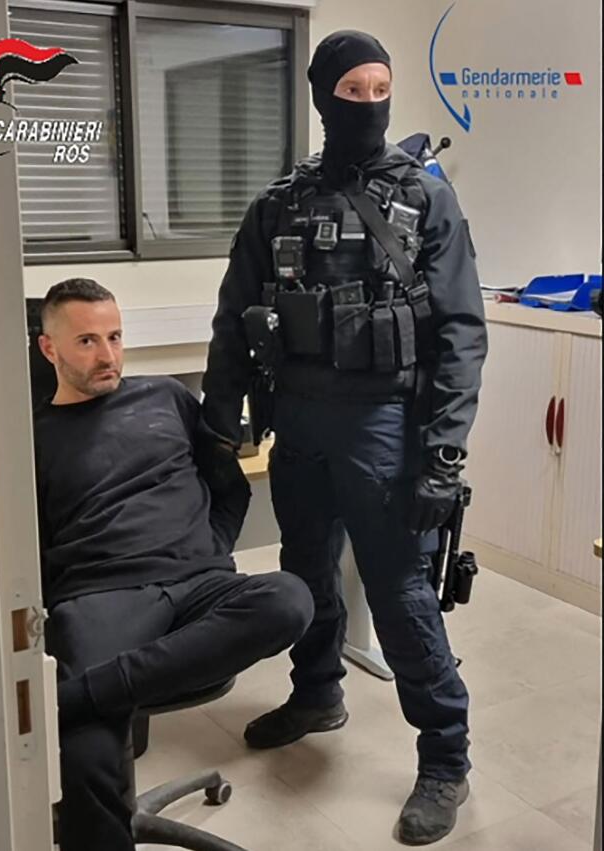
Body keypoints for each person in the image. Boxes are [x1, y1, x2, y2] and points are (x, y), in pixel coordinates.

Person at [201, 30, 487, 846]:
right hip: (297, 423)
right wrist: (221, 418)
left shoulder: (425, 199)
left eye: (379, 90)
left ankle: (446, 756)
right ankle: (317, 691)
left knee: (400, 593)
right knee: (306, 570)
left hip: (384, 429)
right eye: (351, 90)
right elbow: (234, 316)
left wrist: (444, 452)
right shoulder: (279, 203)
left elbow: (461, 333)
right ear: (323, 95)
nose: (367, 104)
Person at [32, 278, 314, 851]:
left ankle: (78, 698)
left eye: (114, 337)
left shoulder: (166, 397)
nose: (108, 355)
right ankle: (94, 705)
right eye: (86, 341)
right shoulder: (31, 437)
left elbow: (228, 486)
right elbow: (28, 551)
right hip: (100, 596)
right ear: (49, 348)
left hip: (197, 582)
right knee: (86, 756)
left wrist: (210, 549)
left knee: (289, 599)